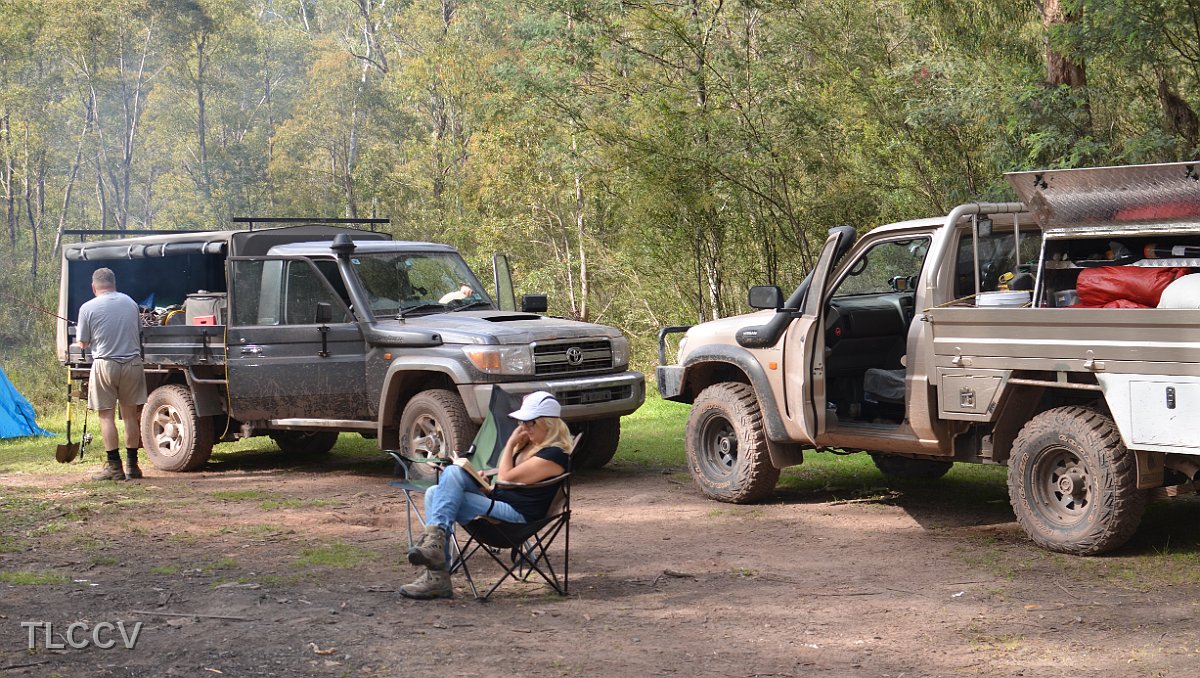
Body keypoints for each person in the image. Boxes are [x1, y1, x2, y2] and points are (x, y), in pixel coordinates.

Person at [400, 391, 572, 600]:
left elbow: (505, 477)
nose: (524, 427)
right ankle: (436, 558)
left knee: (441, 488)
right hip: (499, 502)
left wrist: (510, 443)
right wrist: (484, 485)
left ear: (549, 424)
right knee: (435, 490)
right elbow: (511, 484)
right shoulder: (532, 446)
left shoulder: (554, 455)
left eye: (530, 422)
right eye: (522, 422)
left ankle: (436, 569)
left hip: (516, 518)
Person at [75, 268, 147, 481]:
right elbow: (138, 330)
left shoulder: (87, 307)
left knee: (106, 416)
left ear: (94, 287)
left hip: (106, 365)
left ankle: (115, 468)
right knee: (130, 416)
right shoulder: (131, 303)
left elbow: (83, 343)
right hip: (132, 363)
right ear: (114, 283)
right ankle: (133, 466)